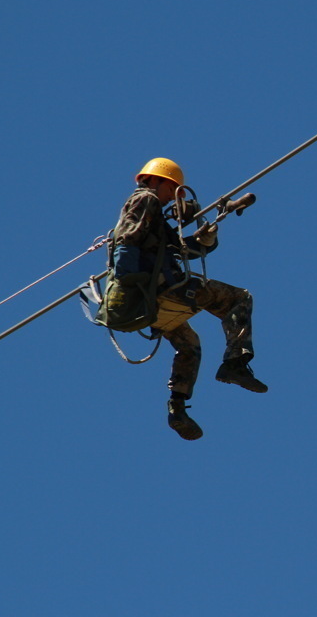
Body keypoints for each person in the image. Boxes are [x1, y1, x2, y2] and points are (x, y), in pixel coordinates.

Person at [111, 157, 267, 441]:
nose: (174, 196)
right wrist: (132, 278)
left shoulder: (154, 215)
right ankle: (235, 364)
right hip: (159, 290)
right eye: (171, 189)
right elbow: (127, 239)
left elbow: (175, 248)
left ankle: (178, 409)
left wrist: (204, 238)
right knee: (239, 298)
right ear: (156, 181)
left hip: (150, 301)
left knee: (189, 345)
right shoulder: (145, 200)